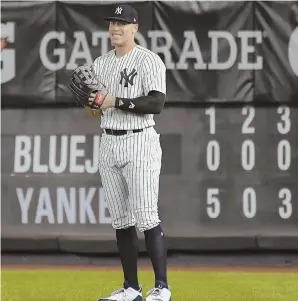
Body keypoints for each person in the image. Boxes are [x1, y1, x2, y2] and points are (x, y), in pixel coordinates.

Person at [90, 4, 172, 301]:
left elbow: (156, 104)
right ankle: (131, 288)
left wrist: (116, 101)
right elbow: (96, 107)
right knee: (121, 220)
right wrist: (91, 103)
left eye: (122, 23)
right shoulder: (100, 64)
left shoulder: (149, 61)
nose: (115, 27)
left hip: (140, 141)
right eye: (112, 22)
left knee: (147, 216)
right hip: (109, 141)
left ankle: (162, 288)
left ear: (135, 28)